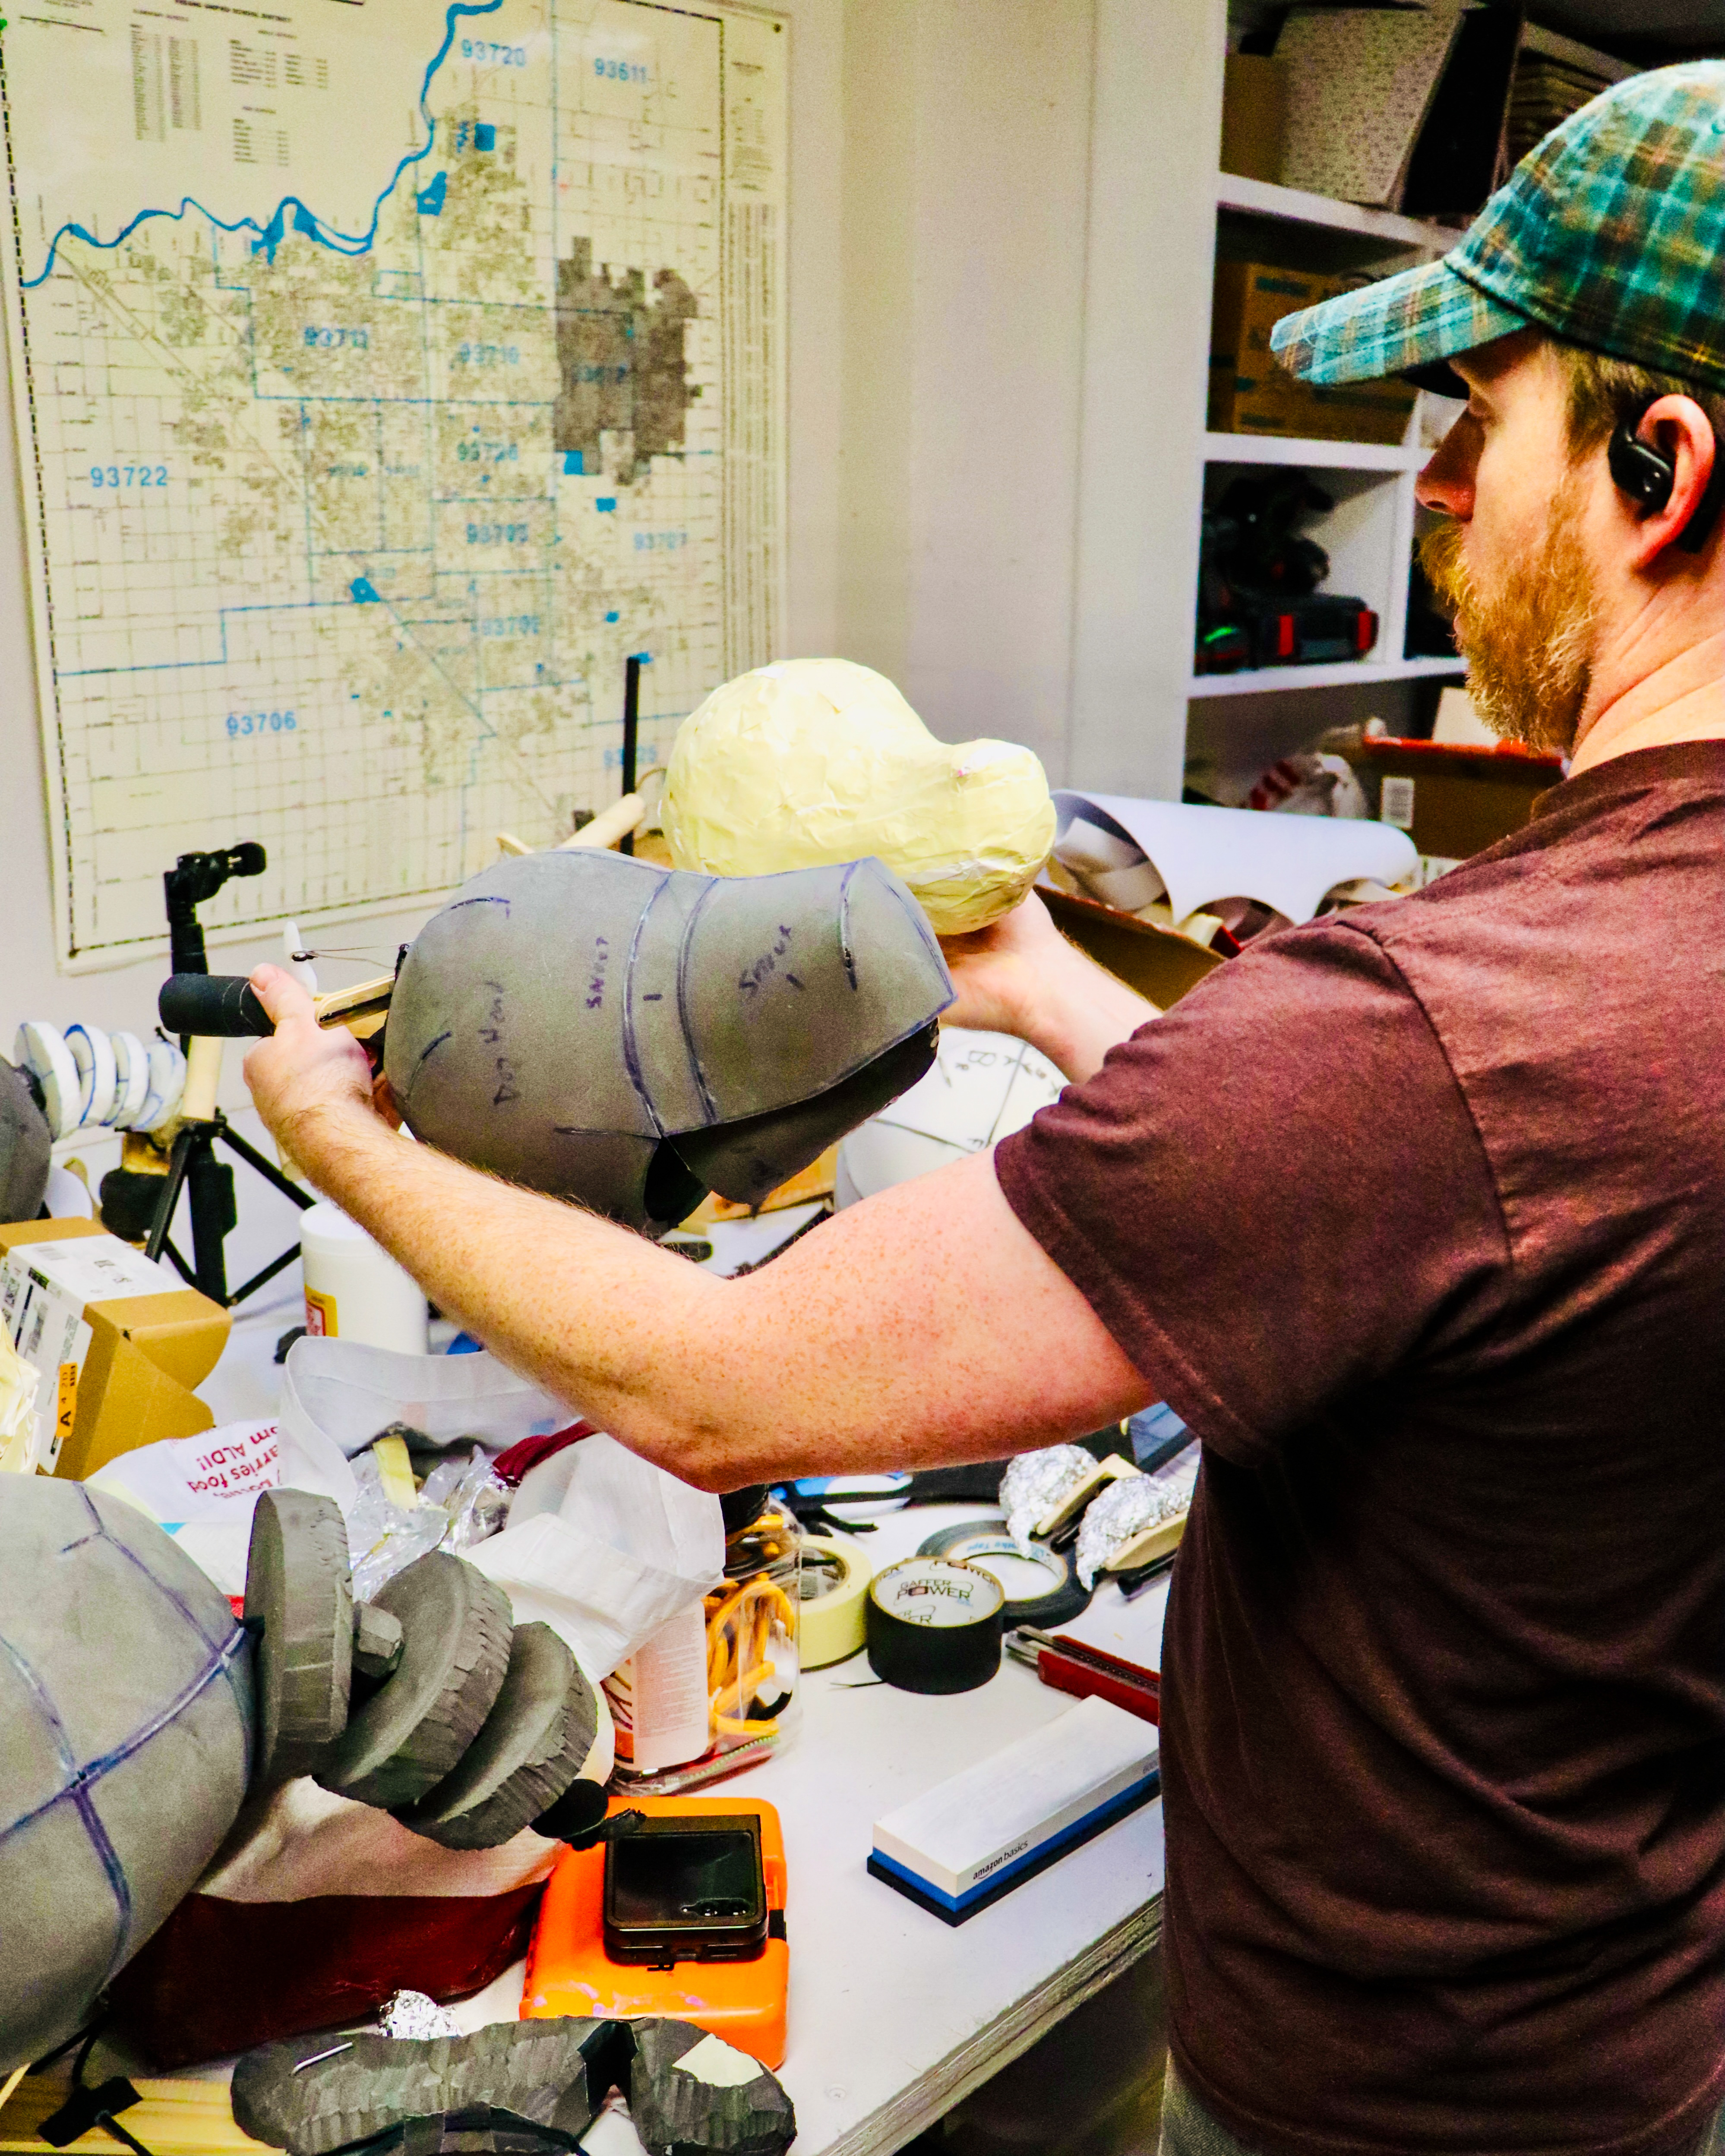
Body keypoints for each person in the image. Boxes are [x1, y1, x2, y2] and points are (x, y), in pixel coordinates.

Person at [242, 63, 1725, 2156]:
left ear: (1663, 462)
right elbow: (1429, 1202)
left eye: (1484, 422)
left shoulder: (1452, 1015)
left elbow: (721, 1384)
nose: (1450, 494)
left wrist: (349, 1145)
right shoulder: (1550, 1012)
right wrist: (1040, 977)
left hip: (1390, 2095)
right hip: (1639, 2017)